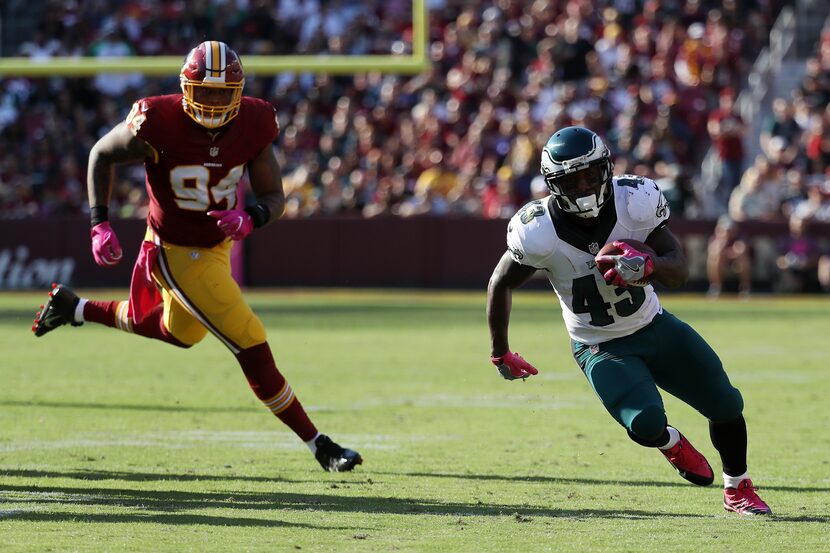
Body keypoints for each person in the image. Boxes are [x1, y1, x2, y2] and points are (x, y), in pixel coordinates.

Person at [31, 41, 362, 473]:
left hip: (215, 245)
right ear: (186, 89)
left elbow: (274, 196)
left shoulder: (255, 122)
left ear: (240, 93)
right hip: (176, 247)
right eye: (205, 92)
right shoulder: (157, 120)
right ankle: (319, 444)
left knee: (180, 332)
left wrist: (253, 217)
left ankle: (74, 308)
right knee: (249, 337)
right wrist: (99, 222)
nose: (213, 103)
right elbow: (101, 154)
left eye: (224, 94)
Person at [486, 126, 771, 515]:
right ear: (554, 184)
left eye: (590, 174)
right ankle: (670, 443)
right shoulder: (538, 230)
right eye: (572, 179)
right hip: (599, 345)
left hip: (654, 325)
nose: (585, 186)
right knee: (646, 423)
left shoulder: (635, 200)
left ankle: (737, 487)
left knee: (725, 403)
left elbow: (680, 269)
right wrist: (500, 352)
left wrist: (648, 265)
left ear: (606, 168)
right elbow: (500, 282)